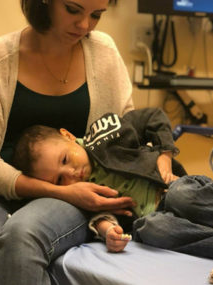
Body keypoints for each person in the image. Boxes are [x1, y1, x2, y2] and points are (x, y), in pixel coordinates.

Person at [0, 0, 139, 284]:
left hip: (78, 190)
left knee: (21, 237)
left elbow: (126, 132)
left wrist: (71, 193)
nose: (84, 25)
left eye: (96, 14)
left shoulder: (103, 54)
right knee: (7, 256)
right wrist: (62, 192)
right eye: (74, 9)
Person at [12, 108, 213, 259]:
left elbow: (153, 116)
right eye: (59, 180)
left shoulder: (106, 133)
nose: (71, 174)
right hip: (156, 215)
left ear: (68, 136)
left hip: (171, 186)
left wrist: (165, 154)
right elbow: (99, 216)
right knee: (152, 229)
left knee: (181, 195)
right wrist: (108, 231)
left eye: (65, 159)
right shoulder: (77, 193)